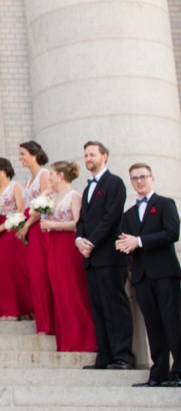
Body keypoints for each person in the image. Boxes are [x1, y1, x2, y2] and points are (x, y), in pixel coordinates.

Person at [116, 164, 181, 387]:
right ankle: (159, 374)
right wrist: (125, 247)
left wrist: (139, 241)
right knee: (153, 326)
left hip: (164, 273)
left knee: (173, 323)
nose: (139, 181)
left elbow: (172, 233)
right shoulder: (128, 214)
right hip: (142, 277)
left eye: (143, 177)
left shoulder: (165, 204)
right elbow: (125, 243)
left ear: (152, 178)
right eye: (134, 178)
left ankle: (179, 371)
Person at [75, 141, 134, 369]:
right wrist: (79, 240)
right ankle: (105, 356)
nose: (88, 158)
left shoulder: (115, 183)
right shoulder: (87, 188)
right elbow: (82, 220)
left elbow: (112, 217)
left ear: (104, 156)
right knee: (98, 308)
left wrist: (91, 242)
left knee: (115, 307)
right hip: (91, 260)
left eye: (92, 154)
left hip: (110, 257)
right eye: (86, 155)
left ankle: (123, 356)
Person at [39, 161, 97, 353]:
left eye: (52, 175)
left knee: (72, 290)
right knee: (59, 291)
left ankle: (84, 340)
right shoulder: (52, 197)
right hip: (53, 247)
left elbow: (78, 224)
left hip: (68, 247)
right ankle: (67, 341)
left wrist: (53, 225)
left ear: (61, 176)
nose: (49, 178)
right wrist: (42, 198)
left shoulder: (74, 196)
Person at [0, 158, 31, 320]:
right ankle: (2, 309)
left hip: (10, 232)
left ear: (2, 171)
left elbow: (21, 209)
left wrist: (3, 227)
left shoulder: (15, 187)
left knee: (12, 271)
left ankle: (15, 310)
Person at [15, 140, 54, 334]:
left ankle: (50, 322)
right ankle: (42, 321)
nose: (20, 158)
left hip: (40, 228)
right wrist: (19, 223)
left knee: (42, 273)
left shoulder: (44, 174)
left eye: (23, 154)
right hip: (30, 228)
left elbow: (45, 202)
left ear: (34, 155)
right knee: (34, 276)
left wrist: (28, 224)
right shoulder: (29, 180)